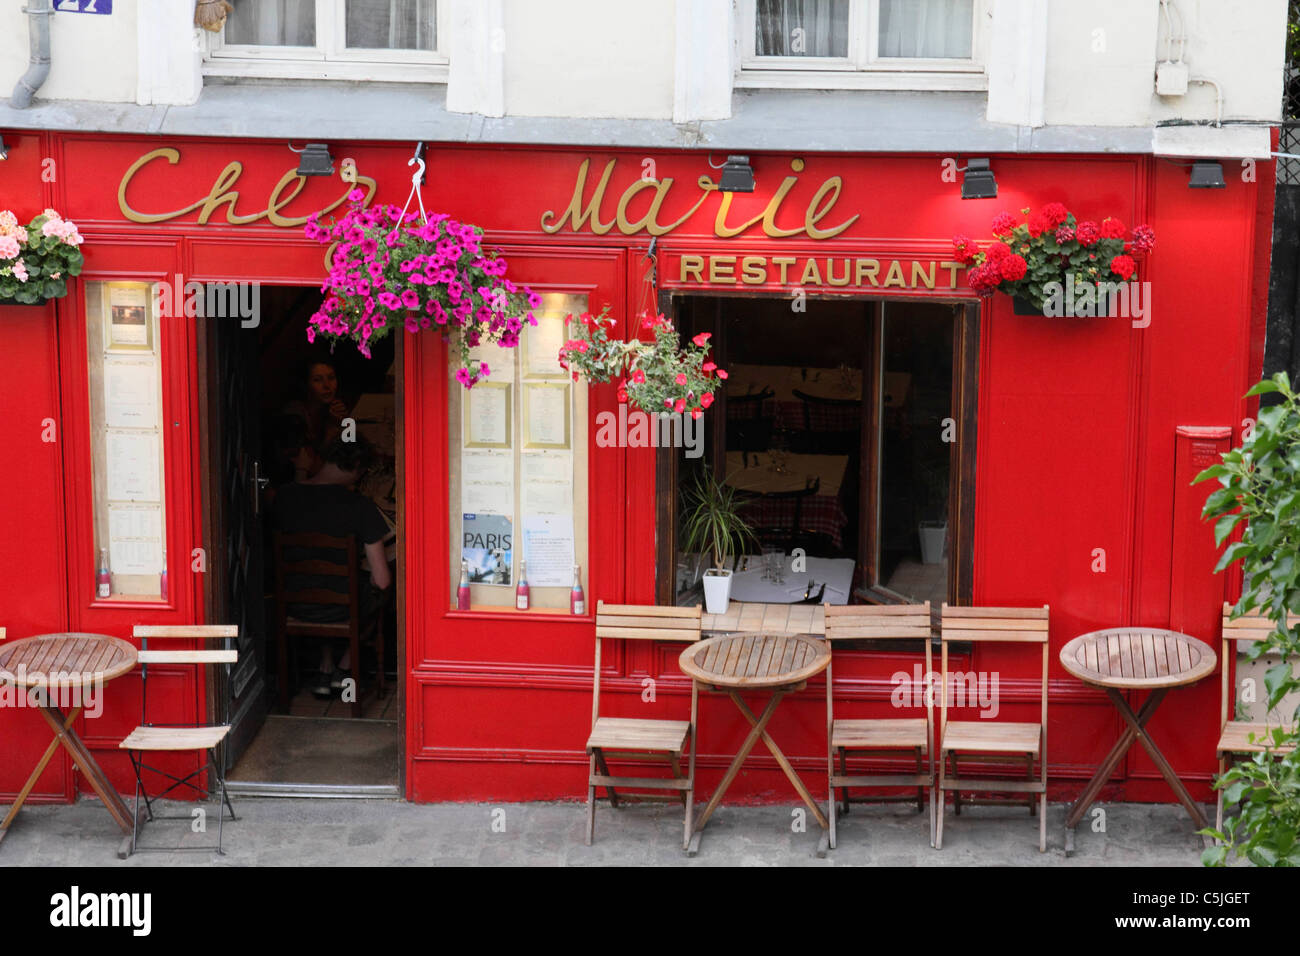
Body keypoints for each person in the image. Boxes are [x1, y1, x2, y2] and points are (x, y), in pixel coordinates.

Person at [274, 435, 392, 700]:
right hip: (341, 608)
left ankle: (325, 667)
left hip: (293, 603)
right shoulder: (360, 506)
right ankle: (344, 668)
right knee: (378, 592)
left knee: (323, 586)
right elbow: (382, 581)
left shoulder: (286, 496)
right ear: (357, 468)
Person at [282, 357, 350, 481]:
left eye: (331, 378)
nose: (327, 386)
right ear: (305, 384)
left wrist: (345, 422)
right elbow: (311, 471)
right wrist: (331, 429)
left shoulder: (331, 406)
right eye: (317, 380)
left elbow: (351, 446)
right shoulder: (295, 417)